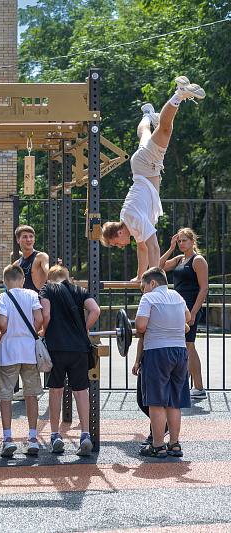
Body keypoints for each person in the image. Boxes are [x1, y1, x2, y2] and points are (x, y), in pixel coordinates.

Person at [100, 76, 205, 281]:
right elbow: (143, 249)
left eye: (116, 244)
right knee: (144, 134)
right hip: (143, 168)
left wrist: (154, 280)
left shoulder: (132, 219)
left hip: (147, 166)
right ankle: (148, 114)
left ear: (119, 234)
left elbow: (154, 247)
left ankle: (179, 93)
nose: (120, 247)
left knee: (165, 130)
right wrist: (140, 277)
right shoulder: (131, 225)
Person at [39, 265, 101, 456]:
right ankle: (85, 434)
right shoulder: (79, 290)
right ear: (68, 277)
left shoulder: (47, 289)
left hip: (56, 347)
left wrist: (44, 331)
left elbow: (46, 314)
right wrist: (84, 328)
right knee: (81, 391)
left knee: (56, 390)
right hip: (79, 348)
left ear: (50, 278)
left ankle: (55, 435)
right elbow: (95, 310)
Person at [132, 267, 191, 458]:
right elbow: (187, 319)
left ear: (153, 283)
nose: (143, 291)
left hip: (157, 352)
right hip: (180, 352)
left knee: (156, 402)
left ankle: (157, 445)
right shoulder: (177, 296)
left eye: (144, 287)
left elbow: (140, 325)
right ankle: (174, 444)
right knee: (174, 402)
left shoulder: (149, 298)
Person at [0, 264, 43, 458]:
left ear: (5, 281)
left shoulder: (2, 298)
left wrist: (3, 333)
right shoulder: (32, 294)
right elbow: (39, 318)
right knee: (31, 394)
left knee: (6, 395)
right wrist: (32, 331)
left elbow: (2, 323)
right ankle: (32, 437)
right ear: (23, 279)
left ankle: (8, 438)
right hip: (29, 350)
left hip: (8, 351)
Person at [159, 228, 208, 400]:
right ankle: (196, 387)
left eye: (184, 240)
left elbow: (204, 289)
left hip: (191, 308)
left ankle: (192, 387)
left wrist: (193, 313)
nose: (181, 243)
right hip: (178, 308)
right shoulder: (180, 259)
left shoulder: (198, 260)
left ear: (192, 241)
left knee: (188, 345)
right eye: (179, 241)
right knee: (188, 346)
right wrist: (171, 248)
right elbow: (158, 267)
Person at [11, 225, 49, 400]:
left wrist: (53, 272)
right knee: (26, 349)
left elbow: (47, 270)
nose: (28, 239)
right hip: (24, 311)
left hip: (40, 307)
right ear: (18, 240)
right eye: (24, 237)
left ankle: (49, 386)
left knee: (44, 348)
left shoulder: (40, 257)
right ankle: (30, 387)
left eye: (31, 236)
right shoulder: (16, 265)